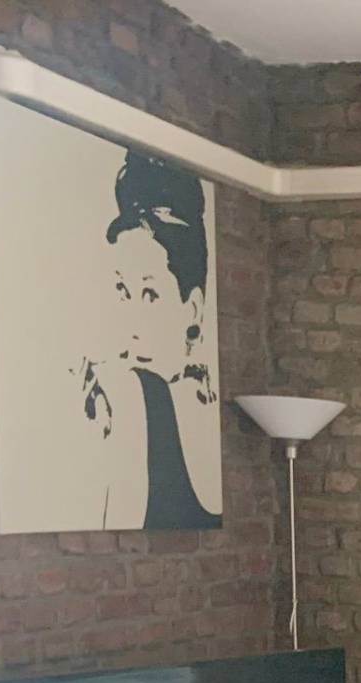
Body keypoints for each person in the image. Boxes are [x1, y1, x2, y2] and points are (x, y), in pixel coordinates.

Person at [80, 150, 220, 529]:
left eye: (150, 294)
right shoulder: (126, 393)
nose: (133, 325)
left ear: (192, 310)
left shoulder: (135, 396)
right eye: (122, 292)